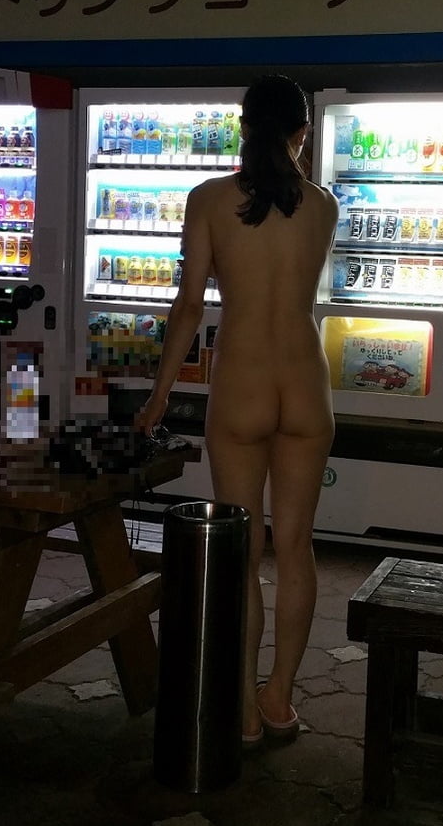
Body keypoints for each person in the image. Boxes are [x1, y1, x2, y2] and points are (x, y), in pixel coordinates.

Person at [139, 75, 339, 747]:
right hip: (306, 384)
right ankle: (280, 696)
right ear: (301, 133)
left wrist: (160, 396)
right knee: (296, 548)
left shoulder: (208, 200)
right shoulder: (324, 205)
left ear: (242, 127)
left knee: (242, 553)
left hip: (242, 385)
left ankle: (243, 709)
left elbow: (188, 307)